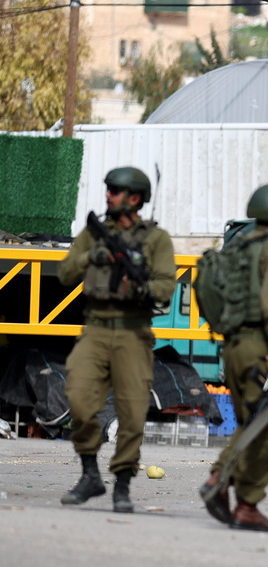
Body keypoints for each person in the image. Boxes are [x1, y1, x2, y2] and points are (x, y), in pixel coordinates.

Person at [59, 167, 177, 513]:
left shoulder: (157, 239)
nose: (108, 195)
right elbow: (66, 273)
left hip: (133, 332)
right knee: (78, 399)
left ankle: (122, 485)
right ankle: (90, 474)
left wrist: (143, 287)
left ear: (134, 198)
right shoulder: (94, 234)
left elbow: (167, 287)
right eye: (108, 189)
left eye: (114, 190)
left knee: (131, 412)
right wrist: (90, 257)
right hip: (95, 329)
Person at [199, 184, 268, 532]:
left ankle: (228, 485)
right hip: (262, 346)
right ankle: (239, 496)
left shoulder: (238, 247)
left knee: (251, 422)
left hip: (233, 347)